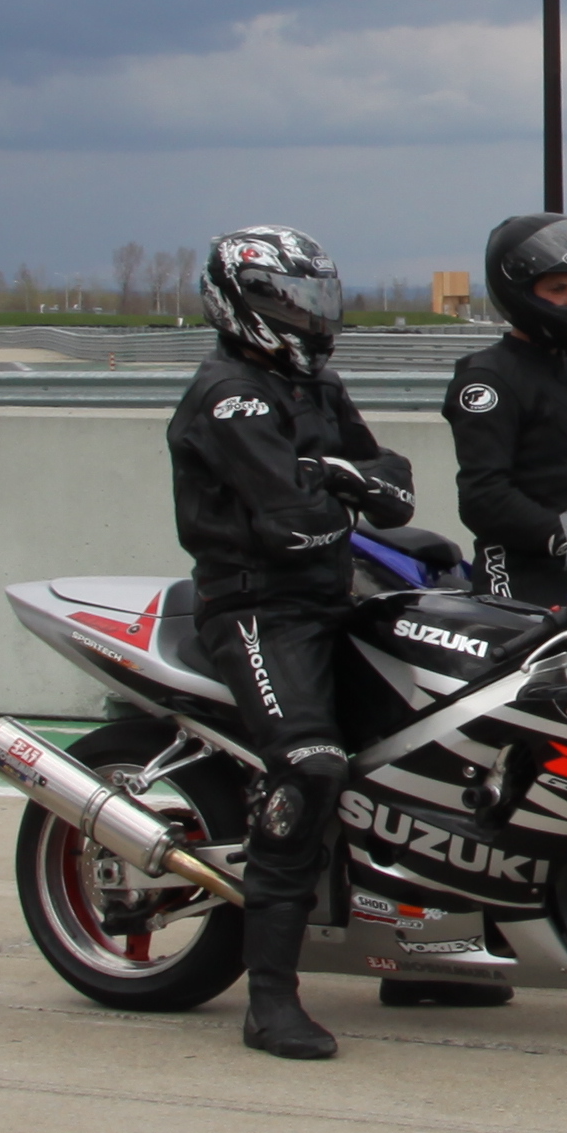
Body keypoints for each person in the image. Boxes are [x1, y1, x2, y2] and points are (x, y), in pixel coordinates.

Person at [170, 225, 417, 1060]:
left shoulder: (316, 385)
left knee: (429, 734)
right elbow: (290, 522)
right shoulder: (230, 396)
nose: (309, 317)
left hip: (334, 596)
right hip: (256, 609)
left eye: (316, 300)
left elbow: (394, 487)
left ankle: (423, 956)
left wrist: (346, 484)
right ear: (243, 302)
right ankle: (269, 997)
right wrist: (341, 488)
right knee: (310, 767)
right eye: (290, 301)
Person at [444, 212, 567, 602]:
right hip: (519, 577)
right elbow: (484, 497)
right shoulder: (487, 380)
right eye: (558, 288)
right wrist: (564, 538)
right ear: (521, 292)